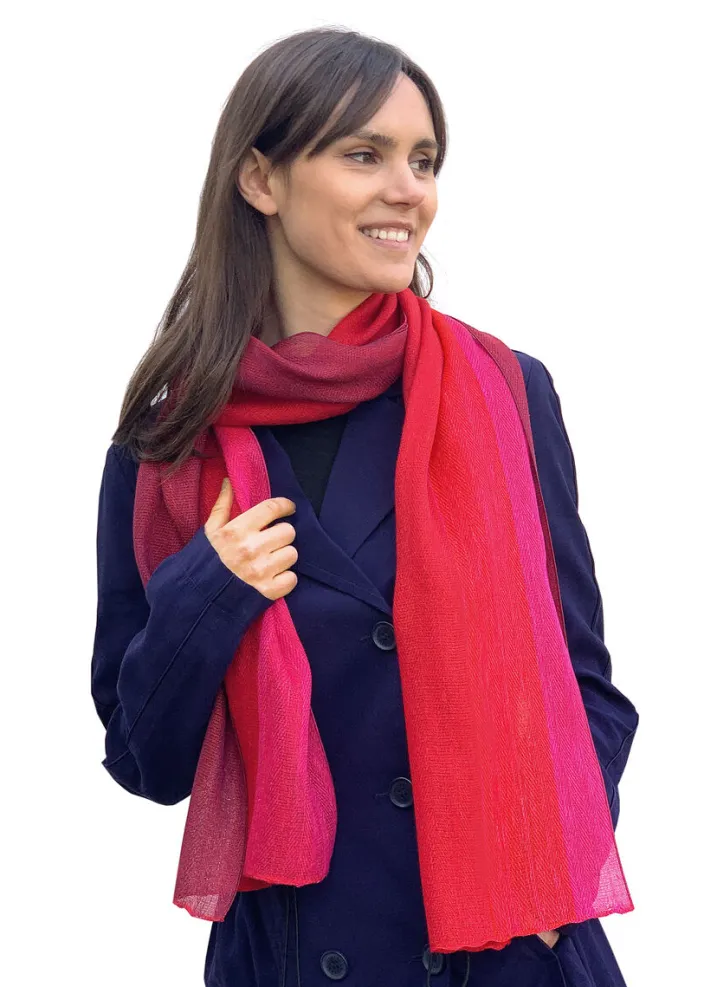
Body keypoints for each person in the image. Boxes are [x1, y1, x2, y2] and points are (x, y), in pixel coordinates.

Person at [90, 25, 639, 987]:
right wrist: (209, 592)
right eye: (364, 154)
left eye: (423, 160)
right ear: (260, 180)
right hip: (296, 958)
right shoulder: (171, 443)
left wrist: (541, 899)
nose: (408, 190)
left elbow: (586, 687)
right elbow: (147, 763)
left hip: (504, 956)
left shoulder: (503, 392)